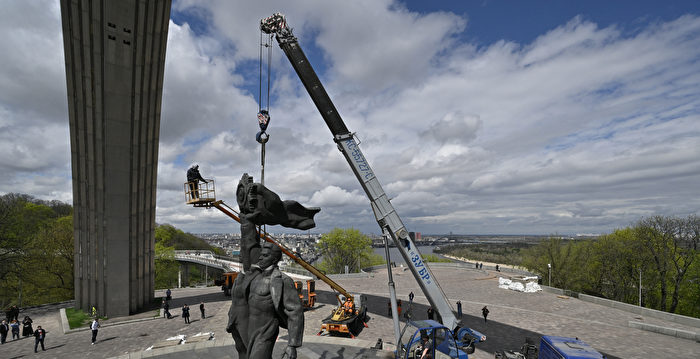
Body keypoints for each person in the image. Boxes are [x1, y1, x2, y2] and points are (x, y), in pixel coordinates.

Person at [227, 241, 304, 359]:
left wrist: (292, 344)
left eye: (266, 256)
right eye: (261, 255)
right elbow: (238, 295)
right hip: (247, 328)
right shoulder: (253, 275)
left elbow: (295, 312)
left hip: (266, 330)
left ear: (274, 259)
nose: (261, 258)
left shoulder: (282, 280)